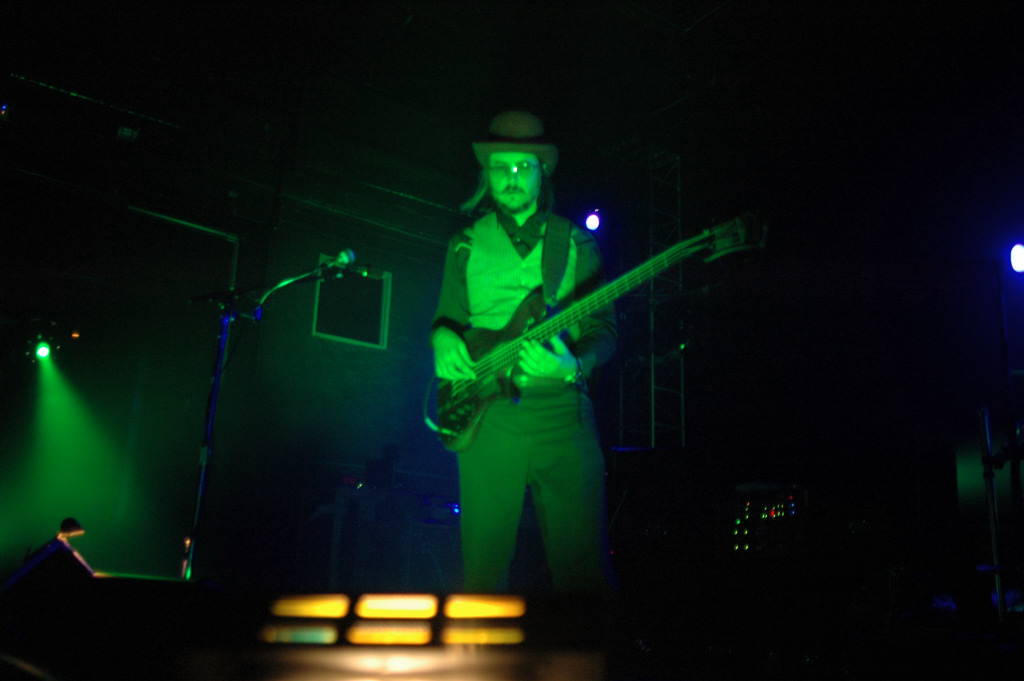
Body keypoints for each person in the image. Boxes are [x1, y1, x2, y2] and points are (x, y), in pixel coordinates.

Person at [431, 111, 617, 593]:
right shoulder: (463, 245)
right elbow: (447, 321)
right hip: (488, 415)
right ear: (486, 174)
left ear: (542, 172)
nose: (511, 177)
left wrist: (573, 364)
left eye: (523, 167)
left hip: (563, 411)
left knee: (585, 568)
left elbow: (604, 331)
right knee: (482, 569)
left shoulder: (577, 242)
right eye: (500, 167)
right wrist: (441, 338)